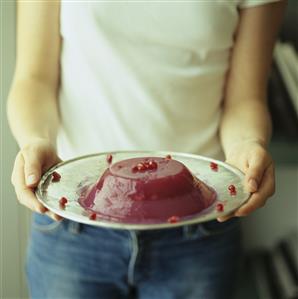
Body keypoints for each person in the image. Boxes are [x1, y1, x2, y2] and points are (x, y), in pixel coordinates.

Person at [7, 1, 285, 298]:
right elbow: (34, 79)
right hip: (72, 224)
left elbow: (244, 99)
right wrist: (36, 140)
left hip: (200, 226)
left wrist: (248, 144)